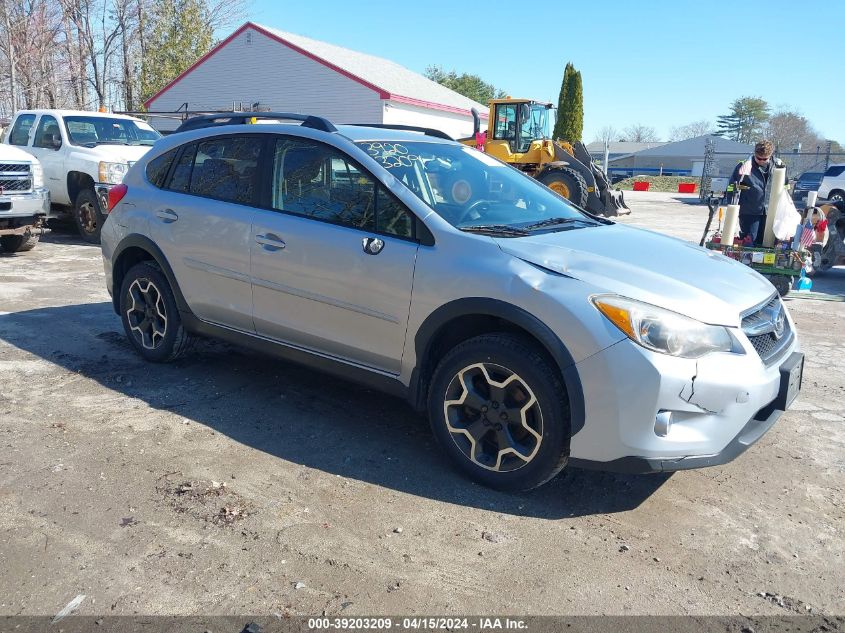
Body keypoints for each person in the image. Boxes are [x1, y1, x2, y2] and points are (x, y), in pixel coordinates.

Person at [726, 140, 785, 245]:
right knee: (749, 241)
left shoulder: (779, 166)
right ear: (754, 154)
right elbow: (731, 187)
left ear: (770, 155)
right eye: (759, 158)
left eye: (765, 159)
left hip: (771, 212)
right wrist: (732, 207)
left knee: (769, 243)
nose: (761, 161)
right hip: (749, 212)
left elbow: (785, 186)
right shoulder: (744, 167)